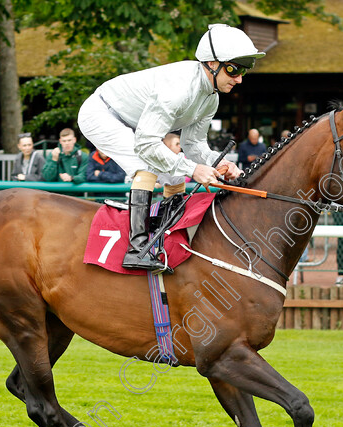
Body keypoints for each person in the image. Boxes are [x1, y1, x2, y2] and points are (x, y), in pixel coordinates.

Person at [77, 24, 261, 272]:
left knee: (174, 174)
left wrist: (219, 163)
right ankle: (137, 249)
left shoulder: (211, 98)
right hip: (101, 114)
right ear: (211, 63)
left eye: (243, 71)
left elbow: (193, 145)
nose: (239, 79)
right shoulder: (178, 89)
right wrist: (194, 168)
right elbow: (146, 144)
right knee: (146, 165)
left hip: (135, 124)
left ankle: (165, 239)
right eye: (233, 69)